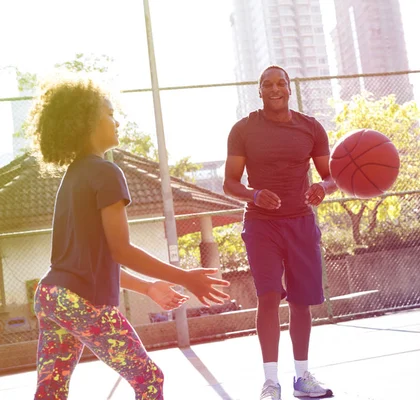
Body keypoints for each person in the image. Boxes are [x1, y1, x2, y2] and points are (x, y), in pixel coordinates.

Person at [29, 76, 230, 400]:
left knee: (50, 391)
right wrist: (185, 277)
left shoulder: (74, 176)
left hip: (52, 296)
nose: (117, 120)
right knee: (149, 380)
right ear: (88, 121)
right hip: (81, 300)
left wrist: (148, 287)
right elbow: (121, 251)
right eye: (109, 113)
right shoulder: (106, 173)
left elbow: (95, 262)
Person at [223, 65, 336, 400]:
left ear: (289, 88)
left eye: (280, 83)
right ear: (259, 90)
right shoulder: (243, 130)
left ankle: (302, 378)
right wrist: (253, 194)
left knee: (302, 302)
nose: (275, 89)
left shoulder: (311, 128)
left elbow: (330, 176)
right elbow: (230, 182)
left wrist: (323, 188)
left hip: (300, 222)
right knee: (269, 296)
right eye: (267, 84)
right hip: (261, 224)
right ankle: (271, 382)